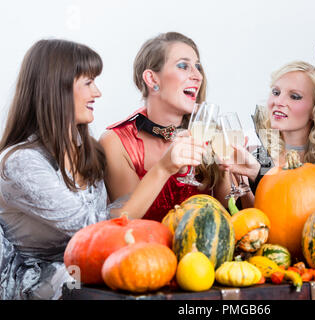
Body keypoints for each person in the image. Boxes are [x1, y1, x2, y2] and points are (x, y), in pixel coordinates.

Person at [0, 39, 205, 300]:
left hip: (89, 273)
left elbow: (110, 214)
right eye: (88, 83)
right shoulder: (22, 163)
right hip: (43, 284)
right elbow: (91, 229)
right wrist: (163, 169)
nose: (97, 92)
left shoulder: (86, 149)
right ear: (56, 88)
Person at [99, 32, 226, 222]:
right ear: (152, 79)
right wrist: (165, 167)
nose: (198, 76)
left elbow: (228, 215)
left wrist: (229, 169)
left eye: (197, 67)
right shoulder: (116, 142)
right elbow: (126, 222)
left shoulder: (209, 132)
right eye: (183, 66)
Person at [218, 61, 315, 207]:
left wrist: (258, 175)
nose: (279, 101)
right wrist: (233, 176)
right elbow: (252, 219)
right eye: (276, 92)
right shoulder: (258, 157)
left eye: (295, 96)